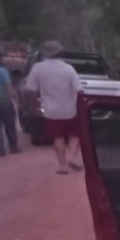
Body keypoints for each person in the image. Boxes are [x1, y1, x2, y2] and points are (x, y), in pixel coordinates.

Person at [25, 40, 82, 174]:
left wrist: (35, 104)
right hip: (70, 109)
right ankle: (72, 157)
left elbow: (29, 91)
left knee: (58, 137)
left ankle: (62, 167)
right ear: (60, 52)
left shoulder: (38, 68)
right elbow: (79, 90)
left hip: (51, 110)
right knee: (76, 135)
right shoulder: (68, 68)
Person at [0, 49, 20, 157]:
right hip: (3, 100)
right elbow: (8, 88)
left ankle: (1, 150)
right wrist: (16, 99)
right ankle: (13, 147)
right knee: (9, 124)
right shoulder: (2, 71)